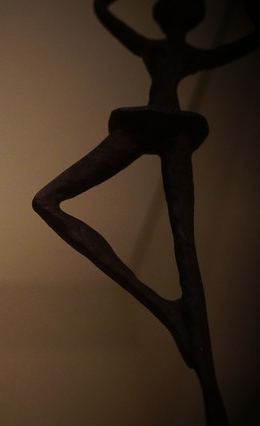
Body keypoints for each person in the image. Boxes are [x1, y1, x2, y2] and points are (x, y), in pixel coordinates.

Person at [31, 1, 258, 425]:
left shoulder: (187, 54)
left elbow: (241, 45)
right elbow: (105, 14)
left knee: (186, 247)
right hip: (146, 125)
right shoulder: (154, 48)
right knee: (47, 200)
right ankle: (163, 307)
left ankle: (211, 397)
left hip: (173, 130)